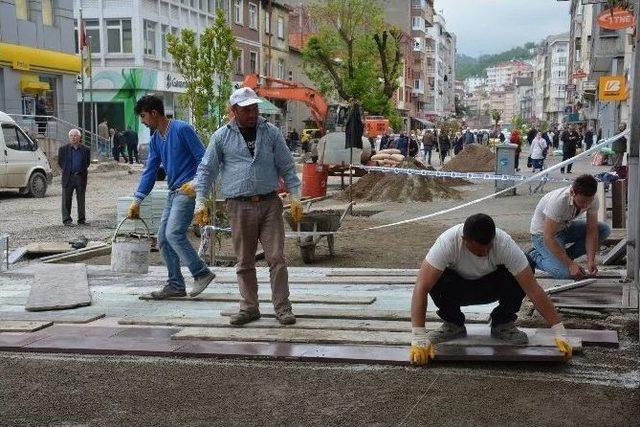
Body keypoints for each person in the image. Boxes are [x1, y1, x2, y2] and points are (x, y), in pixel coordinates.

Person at [194, 87, 302, 326]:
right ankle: (249, 307)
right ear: (234, 111)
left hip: (270, 203)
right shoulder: (221, 136)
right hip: (239, 206)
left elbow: (287, 165)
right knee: (244, 260)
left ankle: (282, 308)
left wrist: (295, 195)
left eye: (254, 109)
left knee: (277, 258)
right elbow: (207, 169)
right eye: (246, 110)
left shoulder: (271, 133)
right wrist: (200, 200)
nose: (252, 114)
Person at [409, 213, 572, 365]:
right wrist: (418, 337)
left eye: (488, 247)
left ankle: (503, 323)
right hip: (457, 290)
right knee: (432, 276)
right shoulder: (447, 243)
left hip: (491, 288)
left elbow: (533, 290)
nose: (485, 253)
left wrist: (559, 331)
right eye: (479, 250)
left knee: (526, 265)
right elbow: (421, 287)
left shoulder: (504, 244)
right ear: (464, 239)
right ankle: (453, 324)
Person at [127, 95, 215, 300]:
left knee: (174, 234)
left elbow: (204, 158)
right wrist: (137, 199)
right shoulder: (157, 139)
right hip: (174, 192)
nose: (142, 121)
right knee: (163, 239)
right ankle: (175, 284)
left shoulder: (182, 129)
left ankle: (201, 273)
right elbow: (150, 171)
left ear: (154, 113)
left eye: (143, 116)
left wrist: (196, 183)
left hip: (188, 190)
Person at [527, 174, 611, 280]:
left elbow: (592, 230)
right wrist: (570, 265)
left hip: (564, 228)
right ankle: (533, 256)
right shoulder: (558, 201)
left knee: (603, 229)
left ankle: (560, 259)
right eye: (582, 202)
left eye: (588, 201)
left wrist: (590, 260)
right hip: (542, 235)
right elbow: (548, 237)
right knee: (565, 273)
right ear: (572, 193)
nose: (585, 205)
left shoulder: (593, 199)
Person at [58, 129, 91, 226]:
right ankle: (67, 220)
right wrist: (68, 170)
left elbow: (87, 163)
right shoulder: (63, 149)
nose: (73, 137)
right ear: (69, 137)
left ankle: (81, 220)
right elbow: (61, 162)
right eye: (71, 136)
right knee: (66, 199)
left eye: (75, 136)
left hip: (80, 177)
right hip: (68, 177)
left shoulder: (85, 149)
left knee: (81, 199)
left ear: (79, 137)